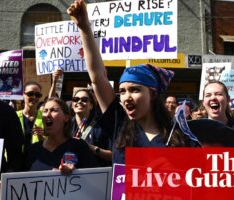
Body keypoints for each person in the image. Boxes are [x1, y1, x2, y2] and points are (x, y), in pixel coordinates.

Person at [67, 0, 199, 164]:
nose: (126, 97)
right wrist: (85, 28)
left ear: (152, 93)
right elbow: (98, 76)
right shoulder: (120, 124)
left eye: (134, 90)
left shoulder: (178, 135)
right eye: (122, 91)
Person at [25, 97, 98, 172]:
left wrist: (75, 173)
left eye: (54, 110)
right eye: (45, 111)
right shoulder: (32, 150)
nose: (48, 115)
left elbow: (93, 178)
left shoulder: (79, 146)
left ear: (66, 117)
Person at [71, 88, 112, 166]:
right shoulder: (65, 125)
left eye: (84, 99)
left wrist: (93, 149)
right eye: (75, 99)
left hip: (95, 174)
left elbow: (114, 156)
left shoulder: (102, 126)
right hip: (70, 174)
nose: (79, 102)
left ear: (91, 105)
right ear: (72, 105)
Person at [16, 81, 45, 156]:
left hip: (38, 161)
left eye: (37, 95)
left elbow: (52, 144)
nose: (34, 97)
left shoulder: (45, 117)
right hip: (15, 162)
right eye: (30, 94)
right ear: (23, 95)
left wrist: (41, 137)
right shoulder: (13, 116)